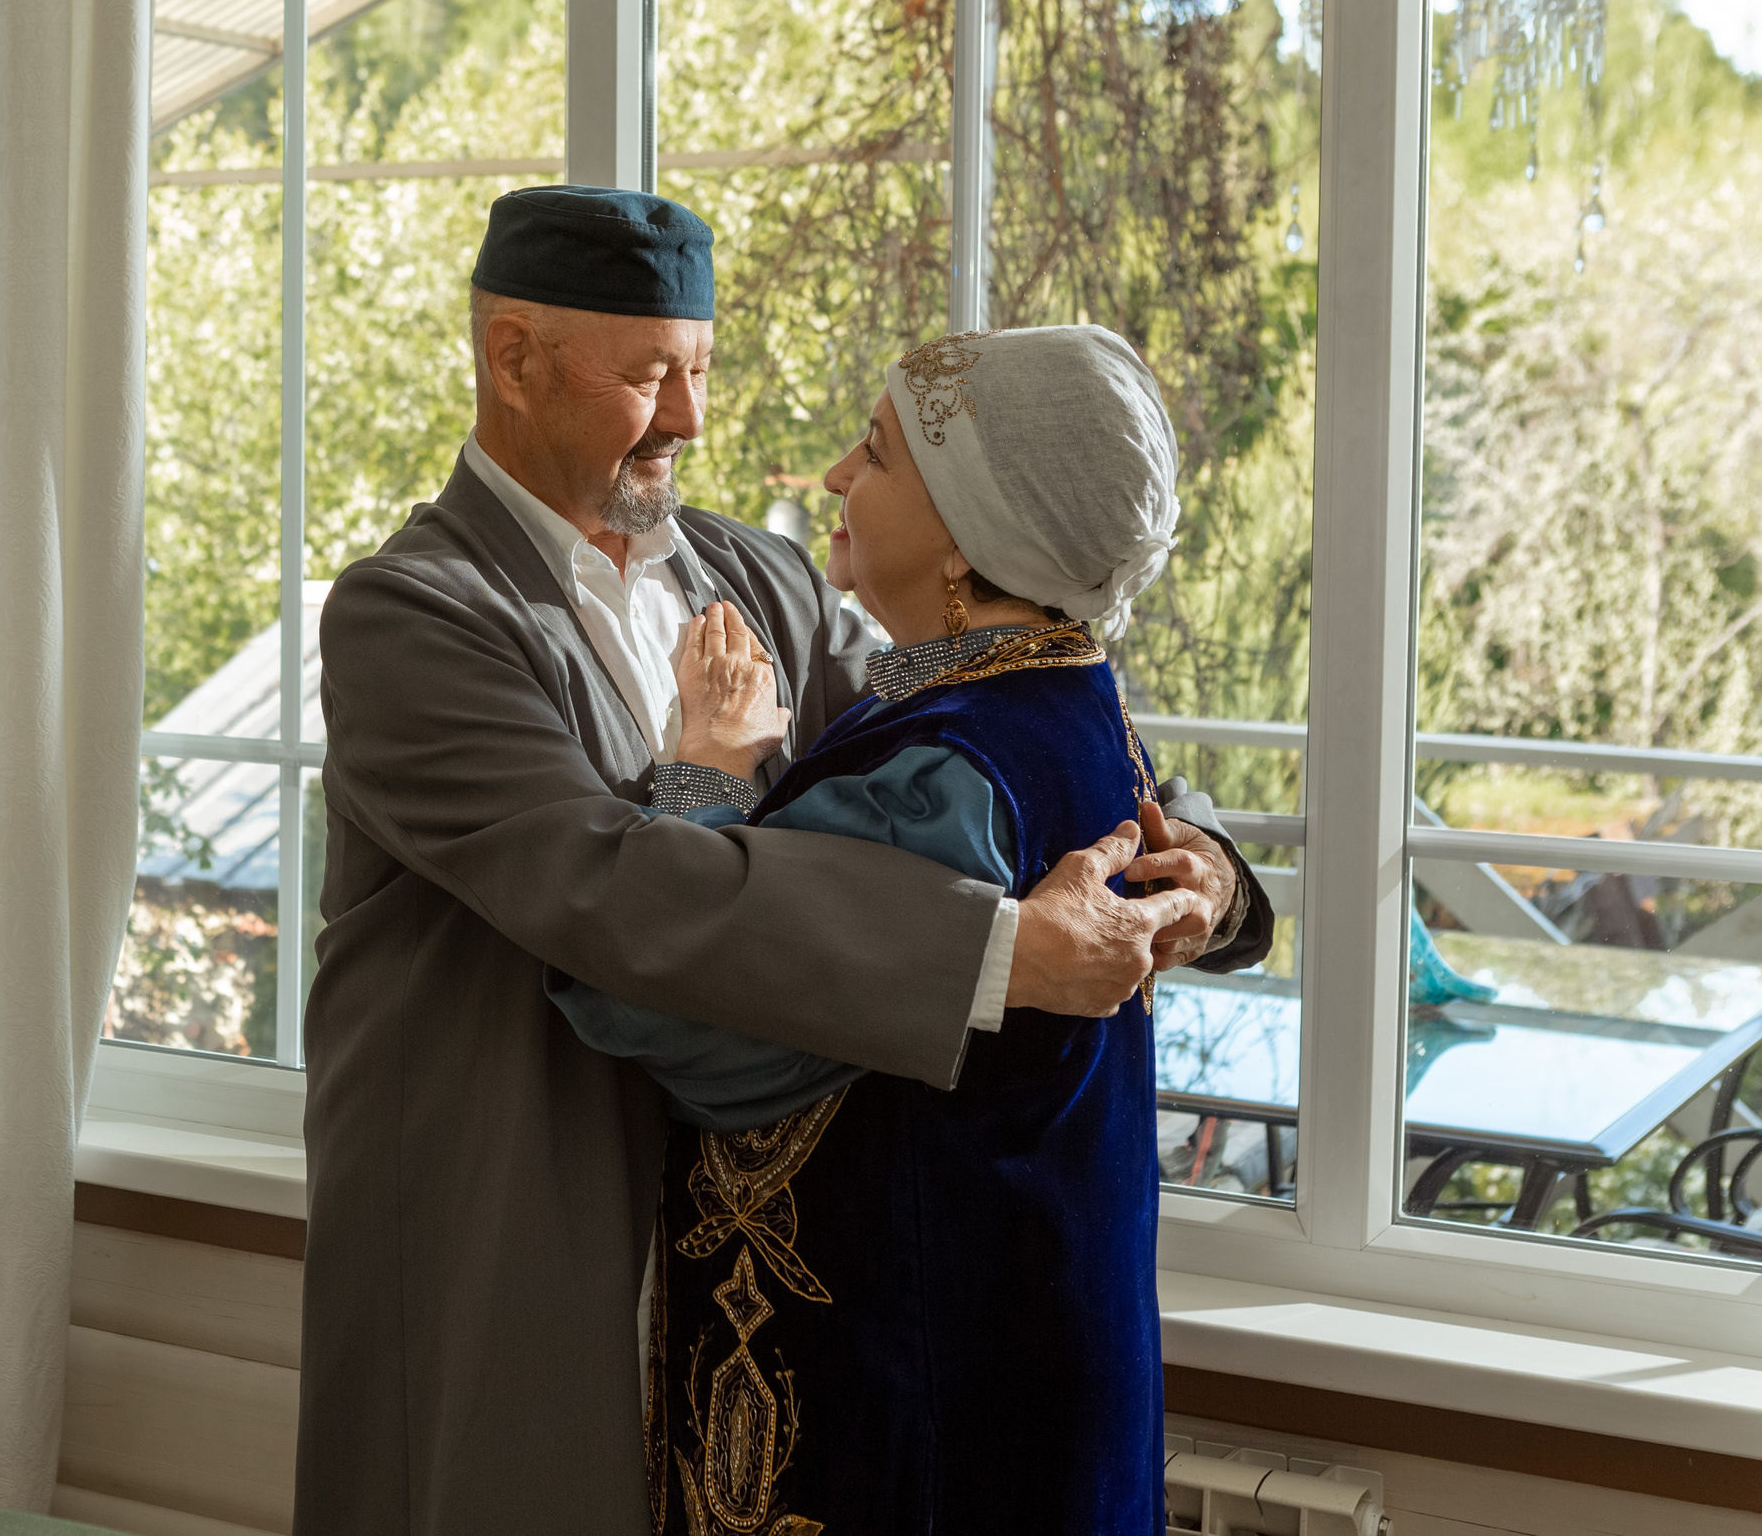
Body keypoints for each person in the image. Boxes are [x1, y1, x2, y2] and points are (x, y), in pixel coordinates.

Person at [298, 186, 1274, 1536]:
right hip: (511, 1225)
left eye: (700, 365)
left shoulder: (753, 573)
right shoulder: (412, 615)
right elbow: (600, 887)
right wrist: (1001, 949)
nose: (694, 418)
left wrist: (1205, 871)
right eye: (650, 375)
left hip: (750, 1273)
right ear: (512, 361)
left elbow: (988, 719)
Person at [555, 323, 1242, 1533]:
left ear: (969, 532)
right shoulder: (1070, 691)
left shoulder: (940, 770)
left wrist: (704, 776)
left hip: (913, 1379)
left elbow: (672, 1012)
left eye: (873, 455)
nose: (832, 477)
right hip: (1032, 1325)